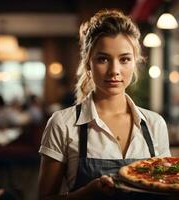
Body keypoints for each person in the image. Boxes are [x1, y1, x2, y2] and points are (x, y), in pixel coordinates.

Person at [38, 9, 171, 200]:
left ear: (135, 63)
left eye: (124, 59)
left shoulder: (154, 124)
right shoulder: (62, 124)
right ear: (88, 64)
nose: (114, 71)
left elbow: (165, 190)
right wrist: (86, 194)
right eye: (103, 59)